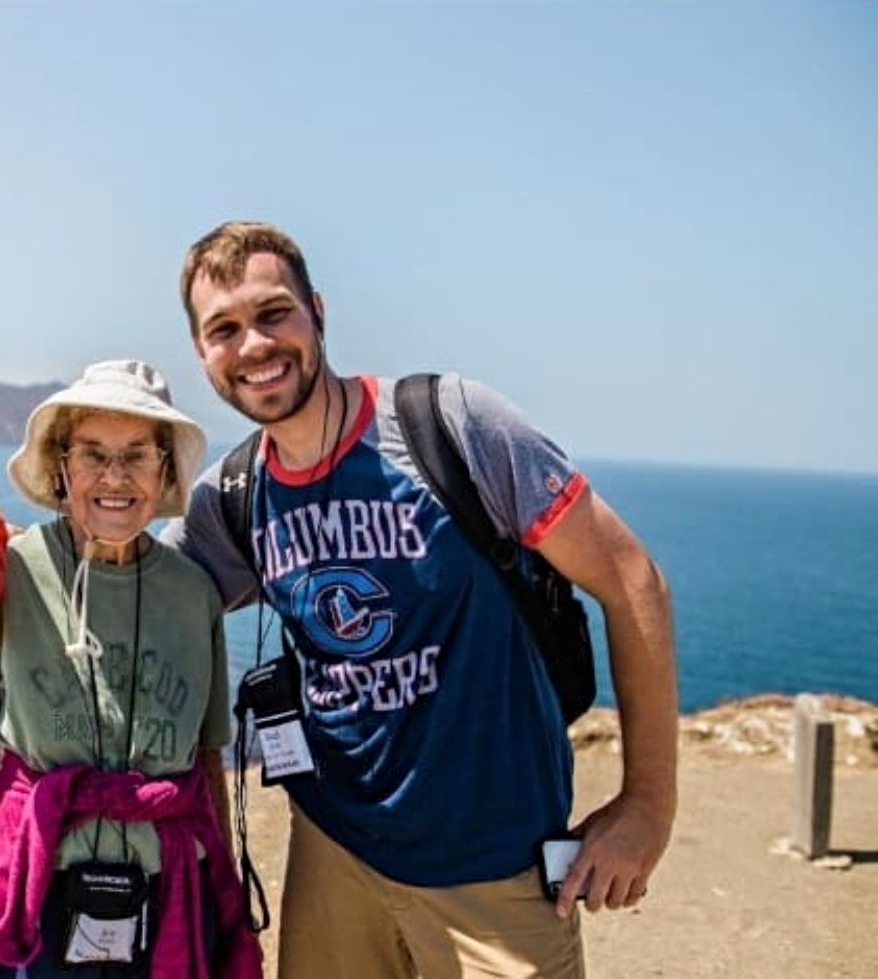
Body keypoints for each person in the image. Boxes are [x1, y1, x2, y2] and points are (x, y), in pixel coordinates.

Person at [160, 221, 678, 979]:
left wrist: (648, 808)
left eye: (274, 313)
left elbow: (633, 579)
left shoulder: (448, 426)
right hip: (335, 861)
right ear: (203, 355)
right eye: (224, 329)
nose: (254, 346)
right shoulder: (237, 498)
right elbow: (129, 587)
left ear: (319, 312)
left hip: (494, 873)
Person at [0, 360, 261, 979]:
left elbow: (204, 764)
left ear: (165, 470)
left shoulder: (195, 595)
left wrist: (223, 892)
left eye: (137, 455)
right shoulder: (8, 572)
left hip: (168, 890)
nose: (114, 477)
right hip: (34, 888)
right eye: (93, 454)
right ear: (61, 467)